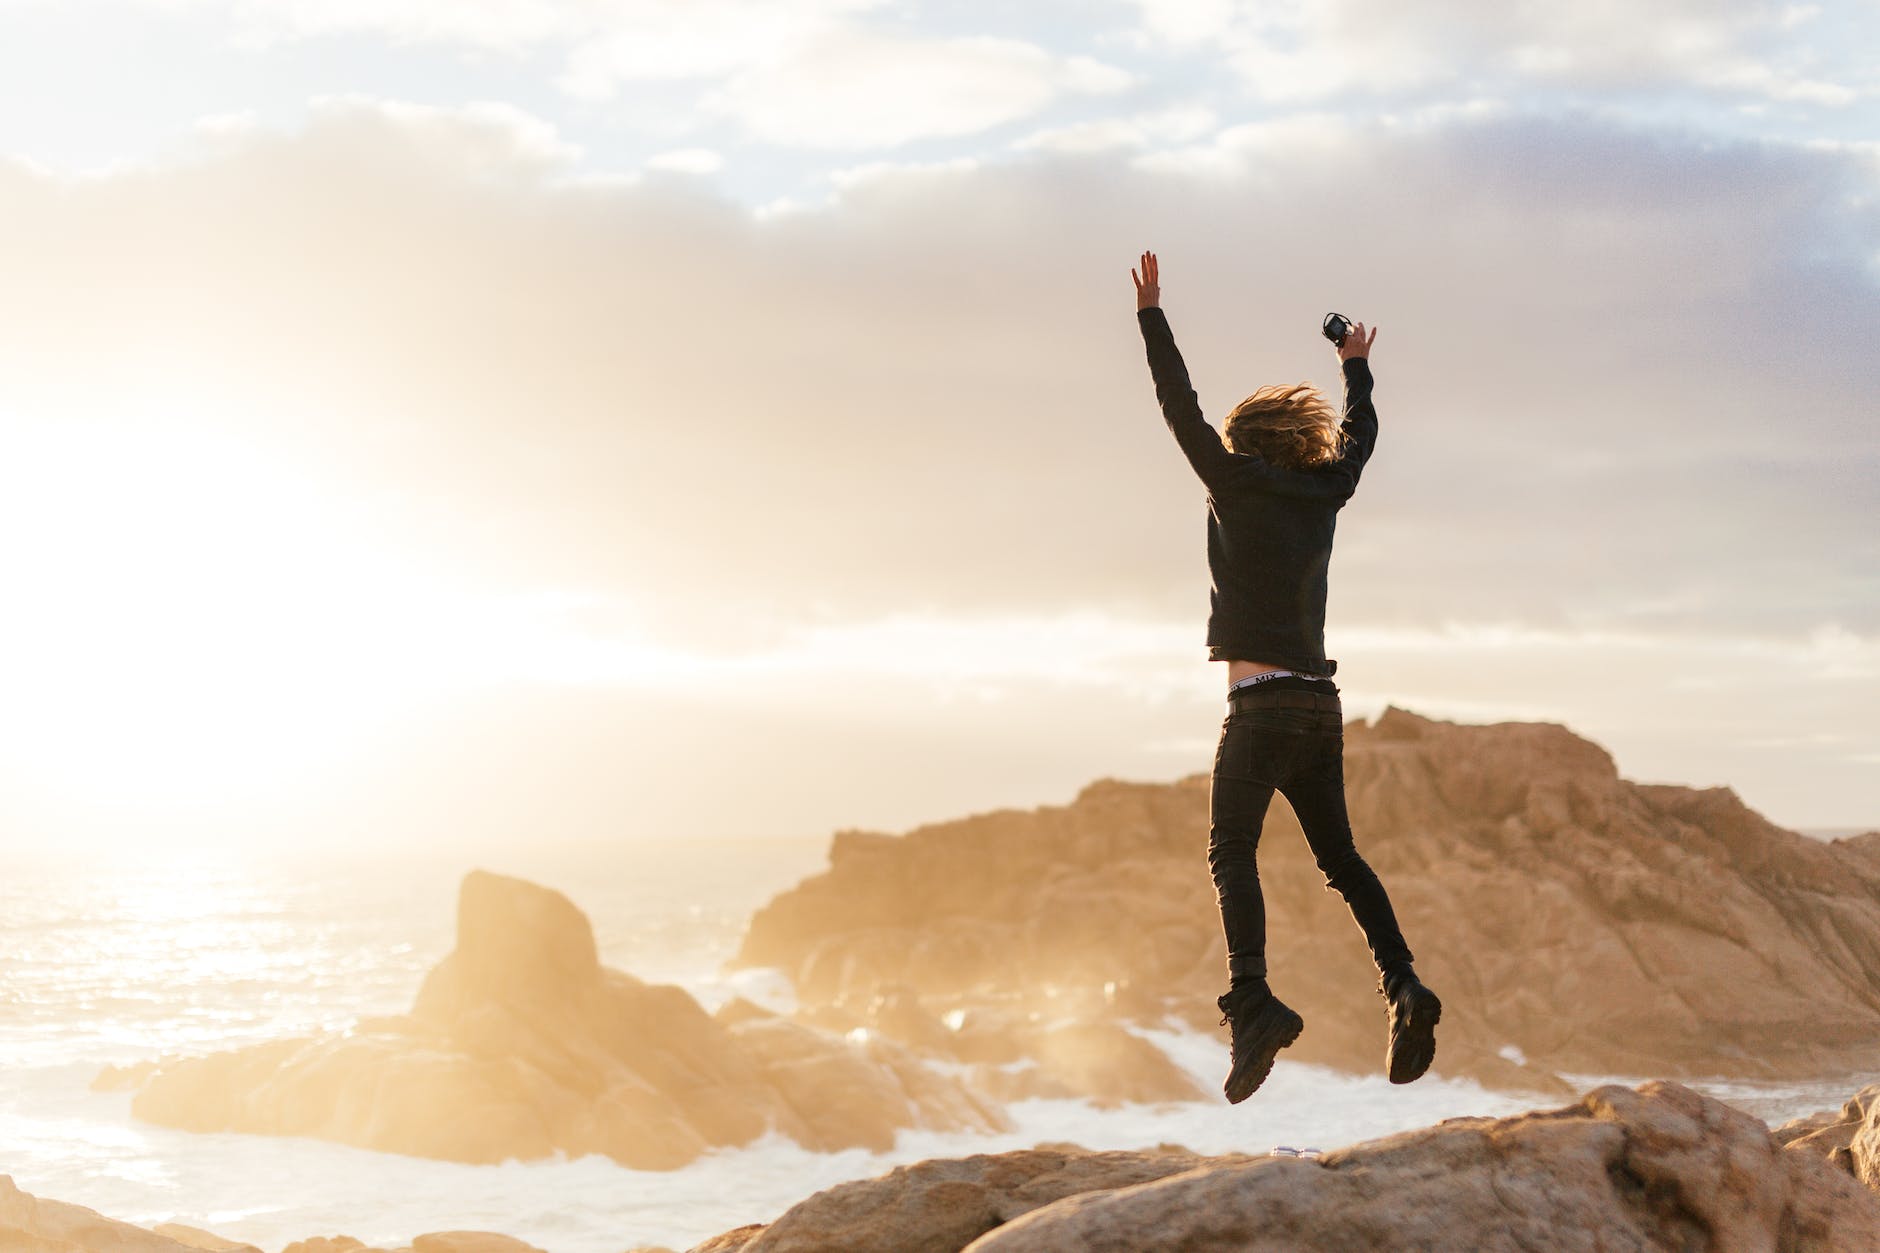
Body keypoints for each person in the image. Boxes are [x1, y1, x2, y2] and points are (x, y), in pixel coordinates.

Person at [1130, 250, 1441, 1103]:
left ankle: (1256, 1002)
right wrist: (1356, 367)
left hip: (1261, 707)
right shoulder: (1324, 489)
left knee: (1232, 848)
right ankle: (1405, 984)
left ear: (1243, 440)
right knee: (1339, 855)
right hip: (1321, 705)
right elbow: (1360, 441)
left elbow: (1176, 407)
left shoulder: (1231, 480)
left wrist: (1153, 315)